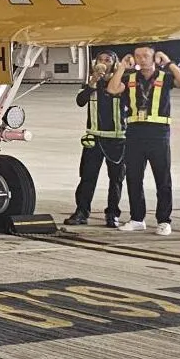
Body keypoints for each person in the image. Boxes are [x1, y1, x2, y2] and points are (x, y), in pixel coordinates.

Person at [106, 46, 180, 236]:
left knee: (163, 178)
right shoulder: (130, 79)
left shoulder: (164, 77)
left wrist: (168, 63)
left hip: (158, 134)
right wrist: (122, 67)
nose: (141, 59)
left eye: (146, 55)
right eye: (137, 56)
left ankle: (164, 220)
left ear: (155, 58)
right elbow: (112, 89)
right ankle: (137, 219)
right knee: (134, 178)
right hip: (135, 133)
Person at [63, 50, 125, 228]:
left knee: (116, 180)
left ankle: (112, 214)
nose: (103, 62)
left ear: (115, 64)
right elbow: (80, 101)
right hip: (94, 138)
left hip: (116, 139)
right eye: (100, 59)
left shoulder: (121, 83)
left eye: (108, 60)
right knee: (87, 177)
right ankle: (81, 212)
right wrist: (92, 82)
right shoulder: (91, 83)